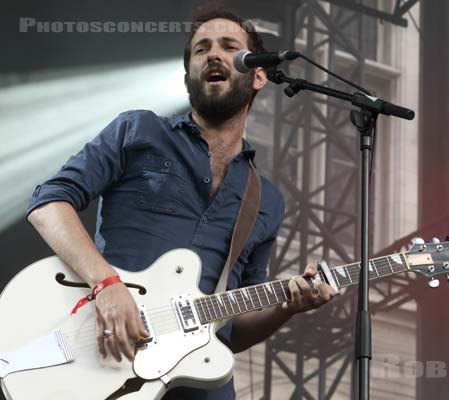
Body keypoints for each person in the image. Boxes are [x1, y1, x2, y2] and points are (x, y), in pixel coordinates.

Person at [25, 7, 336, 400]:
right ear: (188, 73)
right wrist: (106, 285)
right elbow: (49, 203)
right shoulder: (138, 130)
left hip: (200, 382)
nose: (214, 55)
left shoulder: (267, 200)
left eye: (229, 47)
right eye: (201, 49)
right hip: (106, 356)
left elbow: (234, 326)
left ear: (259, 75)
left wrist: (288, 306)